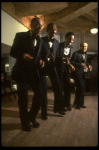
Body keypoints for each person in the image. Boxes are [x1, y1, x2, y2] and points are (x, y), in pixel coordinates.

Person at [10, 17, 45, 131]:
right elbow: (13, 52)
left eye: (42, 25)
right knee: (23, 100)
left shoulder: (40, 40)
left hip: (34, 72)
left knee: (40, 95)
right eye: (37, 24)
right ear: (31, 25)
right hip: (21, 72)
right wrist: (22, 55)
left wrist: (40, 60)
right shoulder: (20, 35)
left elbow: (37, 55)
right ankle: (25, 123)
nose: (40, 27)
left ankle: (31, 117)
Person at [41, 23, 65, 115]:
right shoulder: (41, 40)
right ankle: (44, 113)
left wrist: (63, 59)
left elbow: (57, 56)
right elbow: (37, 55)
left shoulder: (56, 42)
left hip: (52, 68)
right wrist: (46, 57)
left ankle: (57, 109)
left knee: (58, 87)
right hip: (42, 68)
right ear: (47, 30)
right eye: (52, 29)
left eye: (55, 29)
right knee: (43, 90)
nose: (54, 31)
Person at [70, 42, 92, 109]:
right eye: (83, 46)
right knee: (79, 88)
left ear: (87, 47)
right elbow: (72, 62)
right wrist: (80, 64)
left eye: (85, 46)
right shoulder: (75, 53)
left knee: (82, 88)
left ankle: (81, 103)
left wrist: (89, 65)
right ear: (80, 46)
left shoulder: (85, 53)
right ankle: (77, 104)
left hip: (83, 73)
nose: (84, 48)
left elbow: (85, 62)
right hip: (76, 73)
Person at [57, 32, 75, 112]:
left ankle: (67, 104)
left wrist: (70, 65)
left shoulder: (71, 47)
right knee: (60, 89)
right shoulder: (58, 45)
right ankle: (60, 107)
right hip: (58, 69)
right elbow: (54, 58)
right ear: (65, 38)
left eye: (72, 40)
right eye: (69, 39)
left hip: (66, 70)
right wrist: (62, 59)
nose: (71, 41)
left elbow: (69, 59)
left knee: (68, 87)